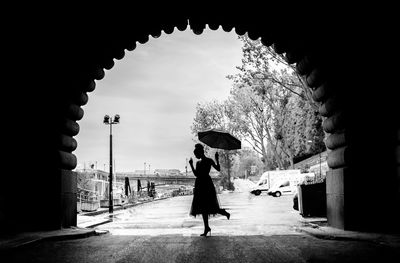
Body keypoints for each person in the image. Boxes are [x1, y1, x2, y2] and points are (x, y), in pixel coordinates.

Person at [189, 143, 230, 237]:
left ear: (199, 153)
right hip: (205, 183)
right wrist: (216, 160)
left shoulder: (201, 162)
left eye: (196, 154)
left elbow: (196, 174)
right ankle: (207, 227)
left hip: (203, 185)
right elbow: (218, 168)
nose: (195, 156)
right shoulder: (207, 161)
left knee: (206, 206)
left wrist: (217, 158)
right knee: (206, 207)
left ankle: (222, 214)